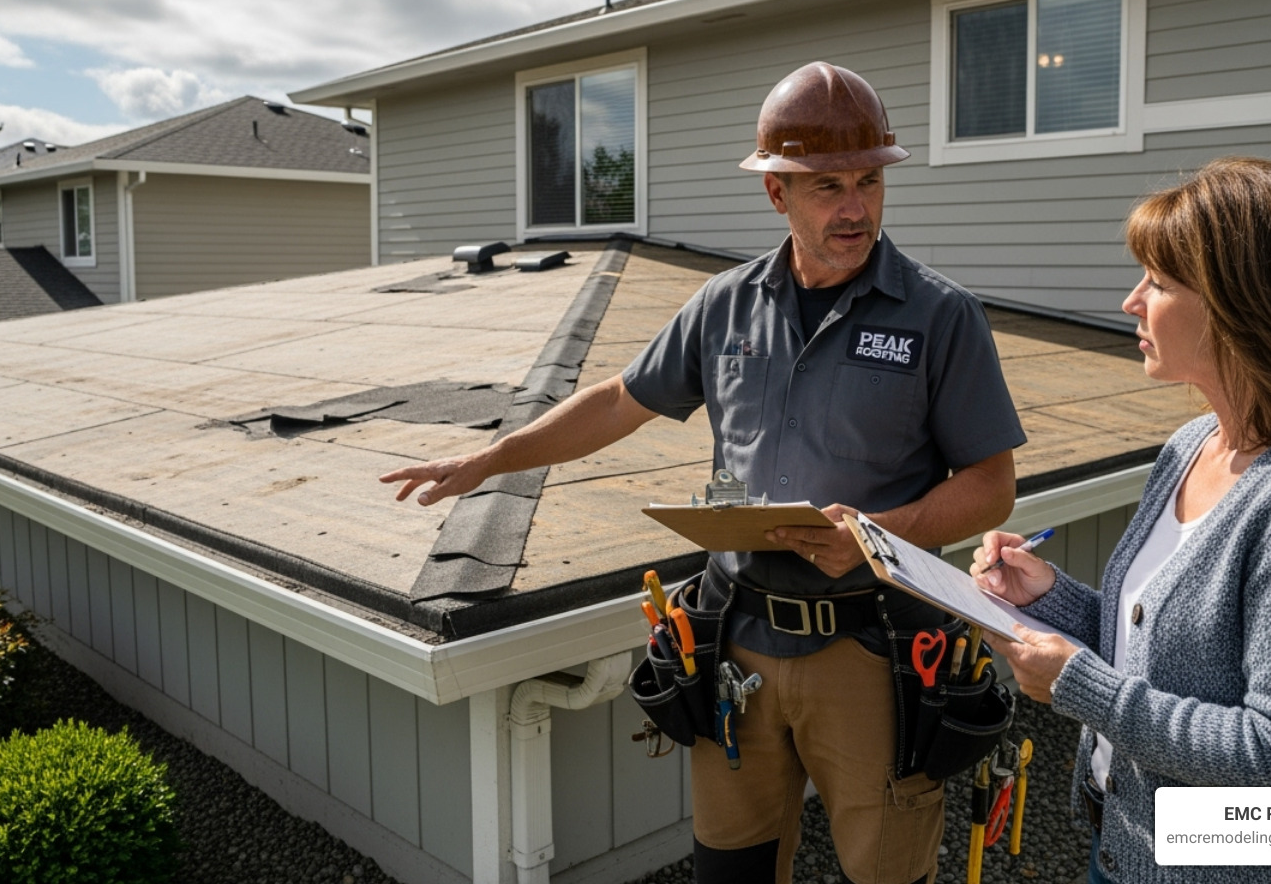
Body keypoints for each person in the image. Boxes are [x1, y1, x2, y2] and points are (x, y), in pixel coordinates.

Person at [382, 61, 1026, 884]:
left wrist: (876, 538)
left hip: (869, 652)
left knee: (889, 874)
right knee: (732, 870)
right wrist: (490, 459)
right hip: (738, 647)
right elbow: (619, 399)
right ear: (777, 195)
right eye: (827, 186)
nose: (856, 207)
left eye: (869, 180)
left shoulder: (942, 316)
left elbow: (990, 485)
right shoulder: (725, 305)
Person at [971, 157, 1271, 884]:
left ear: (1247, 306)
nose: (1130, 301)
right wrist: (1045, 597)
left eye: (1161, 283)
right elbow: (1158, 651)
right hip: (1123, 850)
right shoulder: (1190, 445)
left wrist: (1081, 687)